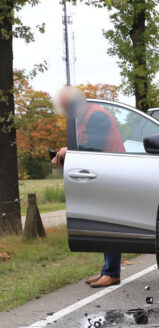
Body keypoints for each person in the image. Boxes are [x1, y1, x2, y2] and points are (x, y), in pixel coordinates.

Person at [52, 86, 125, 288]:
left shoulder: (97, 116)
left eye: (68, 107)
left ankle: (112, 272)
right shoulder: (83, 118)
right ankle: (107, 271)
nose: (67, 112)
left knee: (110, 223)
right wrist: (66, 156)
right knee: (103, 223)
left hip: (112, 174)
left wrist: (70, 151)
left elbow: (94, 146)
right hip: (101, 174)